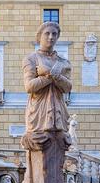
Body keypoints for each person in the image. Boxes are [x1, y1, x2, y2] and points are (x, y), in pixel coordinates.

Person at [20, 21, 73, 152]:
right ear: (39, 36)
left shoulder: (63, 62)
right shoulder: (31, 59)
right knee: (40, 144)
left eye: (54, 34)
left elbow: (68, 87)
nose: (51, 37)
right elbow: (29, 87)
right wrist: (49, 77)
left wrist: (57, 76)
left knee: (59, 142)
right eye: (47, 33)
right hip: (39, 110)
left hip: (59, 109)